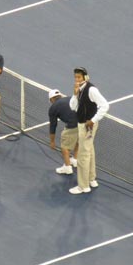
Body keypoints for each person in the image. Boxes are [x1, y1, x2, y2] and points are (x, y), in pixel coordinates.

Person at [68, 67, 109, 195]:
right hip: (84, 125)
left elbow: (105, 105)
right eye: (75, 77)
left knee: (82, 156)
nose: (76, 79)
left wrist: (93, 120)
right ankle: (91, 179)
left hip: (87, 126)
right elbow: (73, 107)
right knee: (89, 151)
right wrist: (75, 94)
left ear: (85, 77)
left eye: (79, 77)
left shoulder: (91, 90)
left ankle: (83, 186)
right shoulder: (79, 90)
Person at [48, 89, 78, 175]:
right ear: (60, 96)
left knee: (64, 147)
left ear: (51, 99)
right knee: (78, 140)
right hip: (83, 123)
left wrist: (52, 142)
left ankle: (67, 167)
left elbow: (53, 126)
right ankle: (75, 160)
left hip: (72, 126)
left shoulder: (53, 108)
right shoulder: (70, 98)